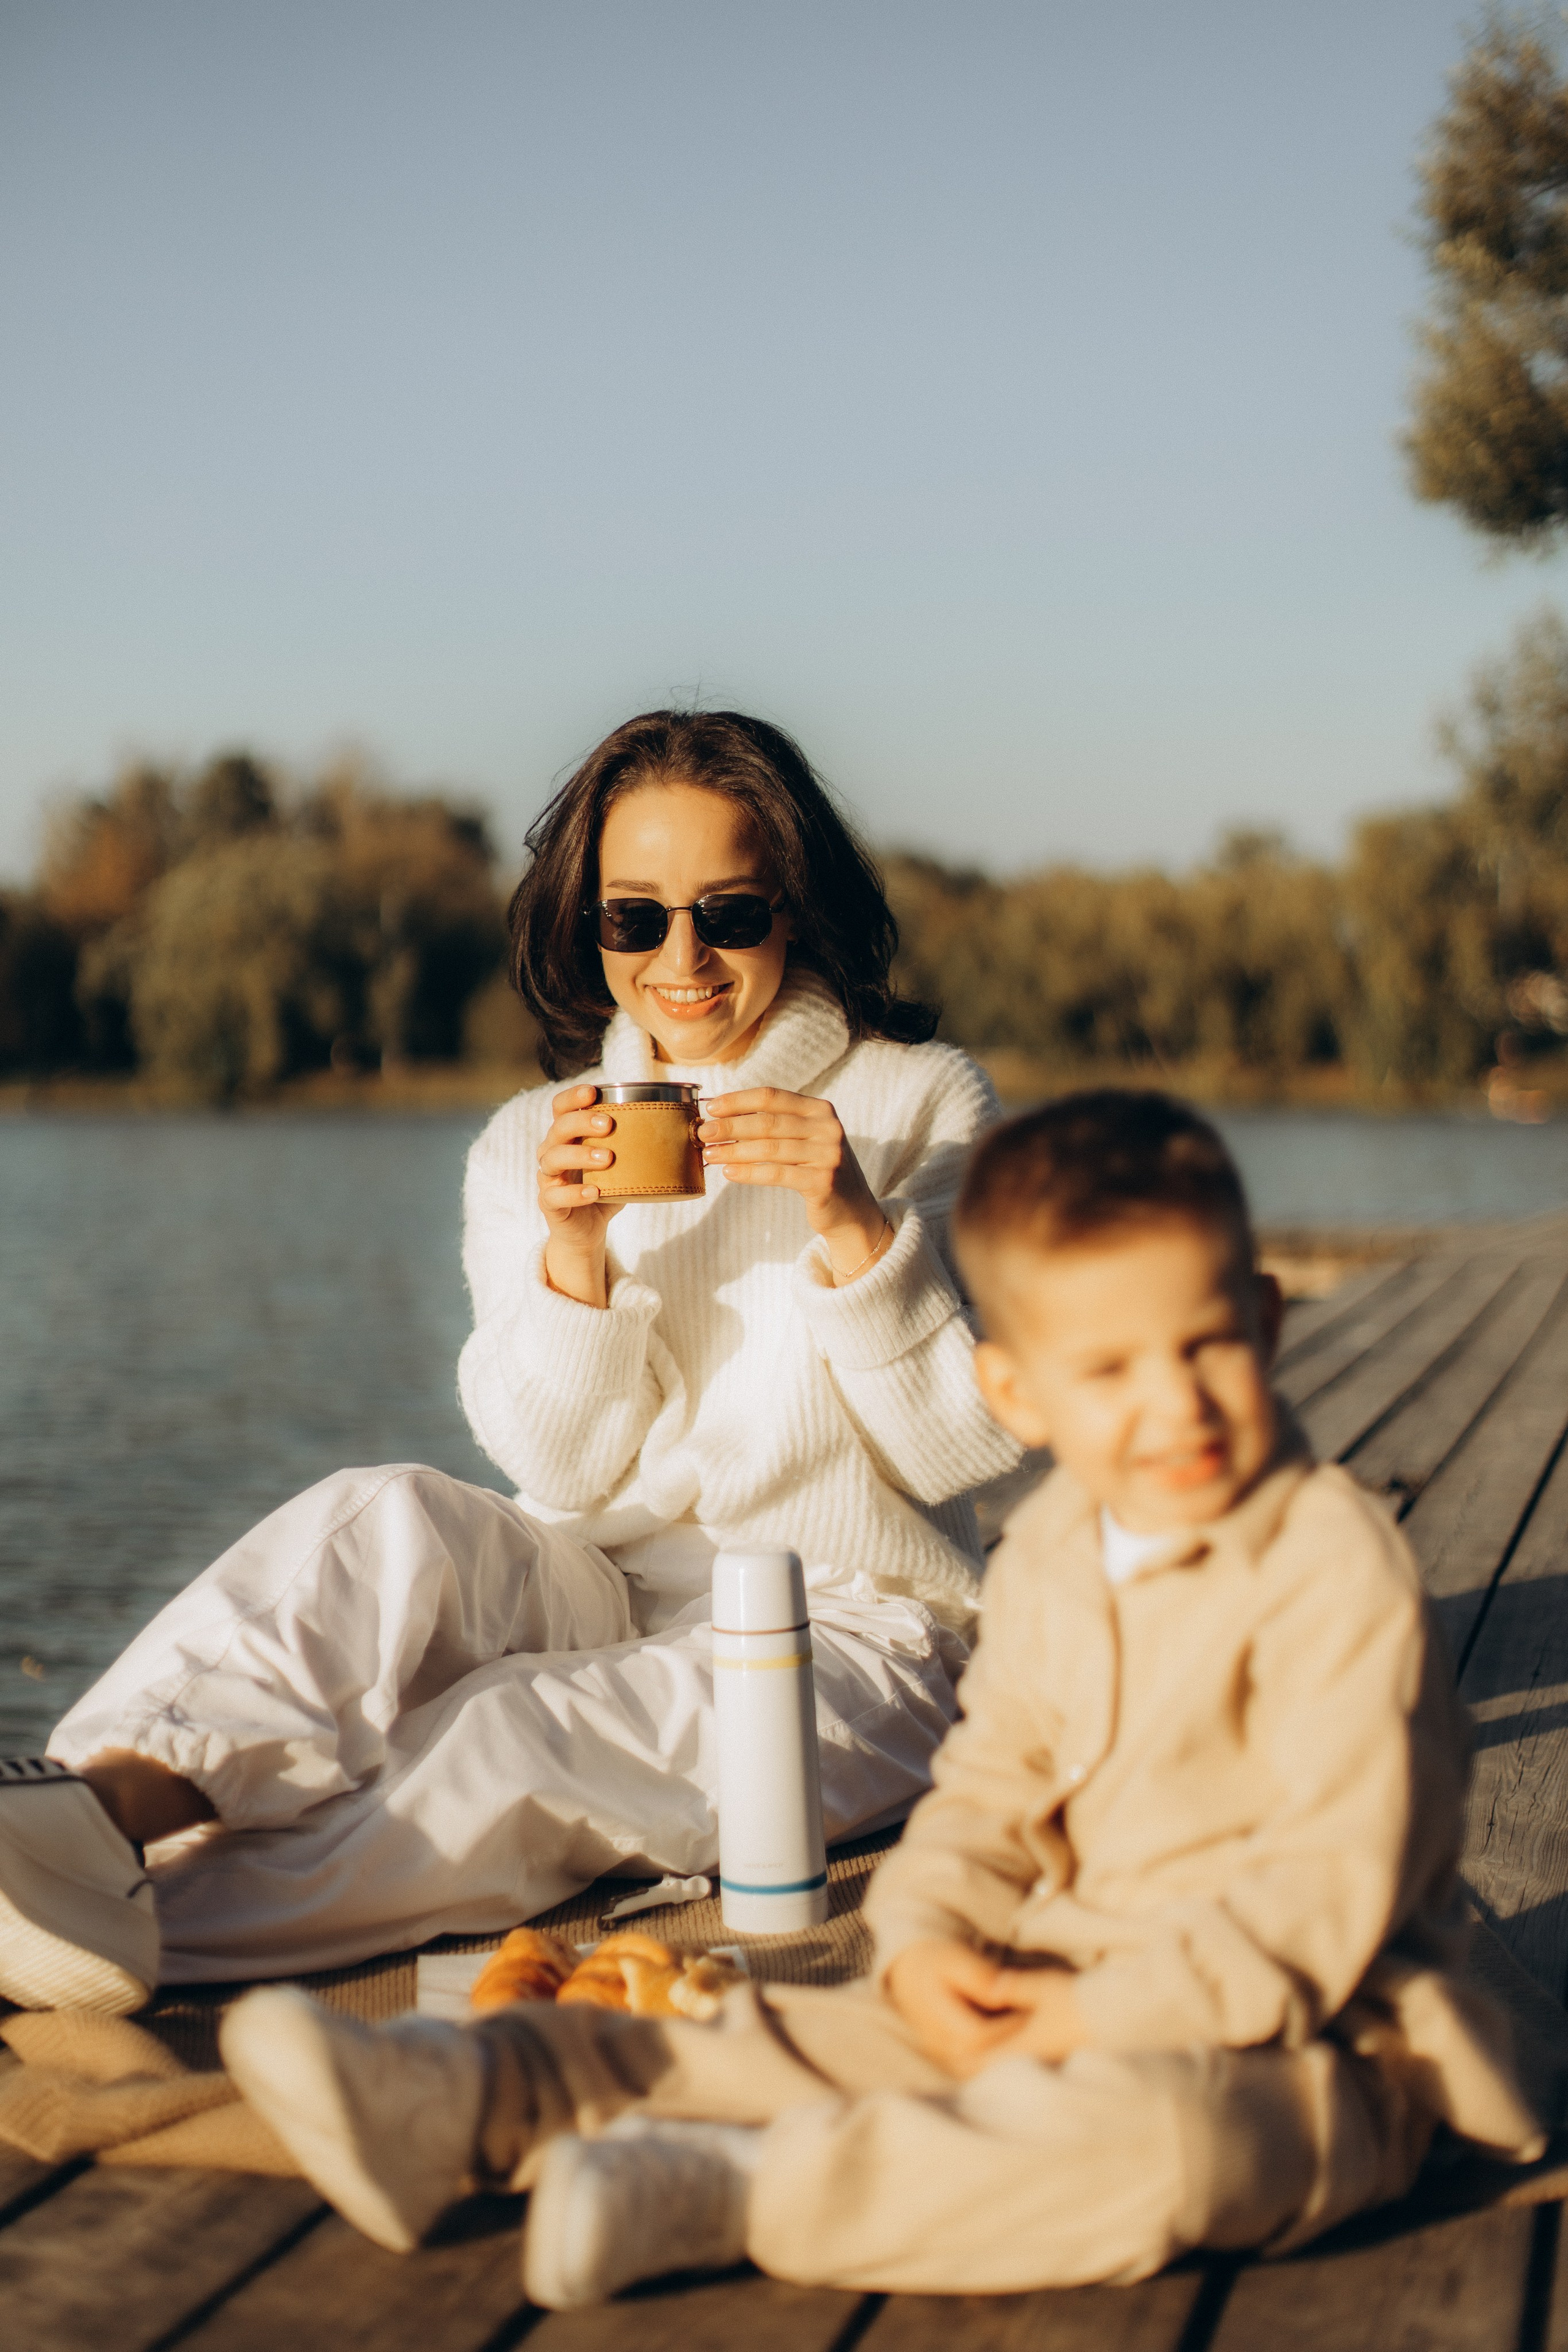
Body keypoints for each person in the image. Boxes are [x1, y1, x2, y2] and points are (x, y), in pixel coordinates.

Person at [218, 1090, 1542, 2305]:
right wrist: (925, 1937)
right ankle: (478, 2090)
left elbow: (1324, 1894)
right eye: (1109, 1372)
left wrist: (1099, 2017)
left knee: (1183, 2147)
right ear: (1019, 1395)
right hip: (1055, 1978)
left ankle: (735, 2192)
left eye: (1206, 1348)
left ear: (1265, 1321)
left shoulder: (1330, 1566)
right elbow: (986, 1790)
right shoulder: (1056, 1549)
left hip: (1311, 2042)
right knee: (803, 2033)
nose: (1172, 1406)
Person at [0, 710, 1020, 2010]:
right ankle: (91, 1813)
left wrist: (856, 1228)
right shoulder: (531, 1142)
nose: (682, 960)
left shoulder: (921, 1104)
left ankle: (110, 1934)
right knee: (381, 1516)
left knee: (504, 1736)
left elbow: (965, 1448)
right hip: (596, 1580)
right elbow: (560, 1468)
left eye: (729, 912)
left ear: (796, 907)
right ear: (587, 926)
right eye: (635, 919)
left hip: (857, 1629)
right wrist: (573, 1253)